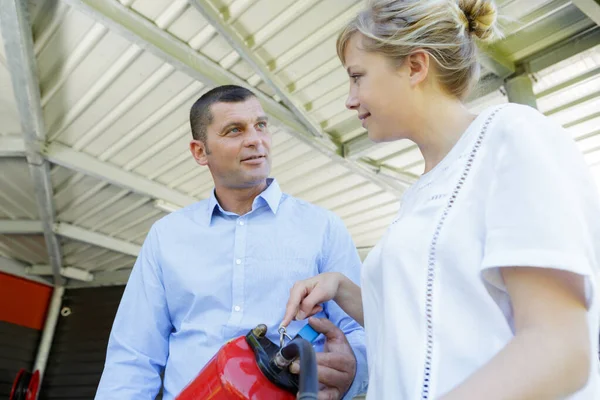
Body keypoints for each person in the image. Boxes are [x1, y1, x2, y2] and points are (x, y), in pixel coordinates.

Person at [281, 0, 600, 399]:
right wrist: (342, 288)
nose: (349, 99)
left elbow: (560, 351)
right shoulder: (421, 193)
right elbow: (431, 325)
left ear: (415, 66)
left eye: (357, 77)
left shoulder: (512, 136)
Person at [95, 85, 368, 400]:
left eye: (261, 125)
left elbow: (362, 332)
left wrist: (353, 373)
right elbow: (133, 356)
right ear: (200, 152)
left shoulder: (323, 227)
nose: (256, 139)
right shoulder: (166, 235)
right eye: (234, 130)